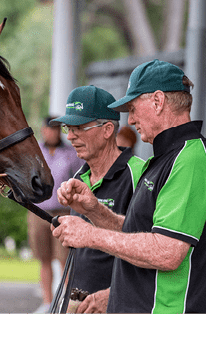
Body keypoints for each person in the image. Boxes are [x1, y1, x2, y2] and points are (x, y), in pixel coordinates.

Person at [53, 59, 206, 313]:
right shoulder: (165, 158)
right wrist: (94, 210)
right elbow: (139, 232)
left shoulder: (190, 159)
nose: (130, 120)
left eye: (132, 108)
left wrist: (90, 235)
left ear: (158, 101)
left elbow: (167, 251)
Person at [49, 85, 144, 313]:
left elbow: (152, 247)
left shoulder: (140, 173)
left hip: (120, 307)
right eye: (67, 128)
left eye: (79, 127)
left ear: (108, 129)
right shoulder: (78, 177)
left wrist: (116, 294)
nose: (70, 136)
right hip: (77, 302)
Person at [29, 116, 84, 313]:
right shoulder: (37, 152)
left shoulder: (71, 154)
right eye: (48, 129)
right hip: (38, 212)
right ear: (43, 130)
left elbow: (80, 181)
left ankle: (66, 303)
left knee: (64, 260)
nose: (51, 133)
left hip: (63, 213)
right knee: (44, 259)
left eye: (55, 129)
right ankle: (47, 302)